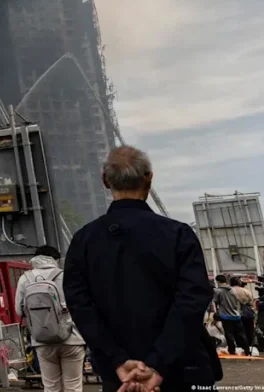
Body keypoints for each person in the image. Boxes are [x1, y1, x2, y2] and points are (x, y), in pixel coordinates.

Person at [63, 145, 218, 392]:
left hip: (120, 379)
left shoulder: (84, 241)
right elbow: (192, 300)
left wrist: (118, 361)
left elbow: (80, 306)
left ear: (105, 180)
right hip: (179, 371)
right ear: (149, 177)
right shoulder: (178, 235)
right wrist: (157, 363)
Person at [15, 245, 87, 392]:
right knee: (73, 386)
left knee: (51, 386)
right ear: (56, 259)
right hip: (72, 338)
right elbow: (81, 305)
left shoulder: (25, 278)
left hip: (42, 339)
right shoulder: (67, 275)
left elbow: (18, 310)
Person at [214, 275, 250, 356]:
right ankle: (247, 350)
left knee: (229, 334)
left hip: (226, 316)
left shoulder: (217, 291)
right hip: (236, 315)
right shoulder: (233, 290)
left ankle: (232, 351)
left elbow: (215, 302)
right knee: (241, 334)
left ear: (218, 282)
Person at [230, 277, 256, 351]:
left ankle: (239, 347)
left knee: (236, 332)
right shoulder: (245, 291)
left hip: (233, 314)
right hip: (247, 314)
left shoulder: (229, 291)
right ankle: (249, 347)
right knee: (248, 331)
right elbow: (251, 302)